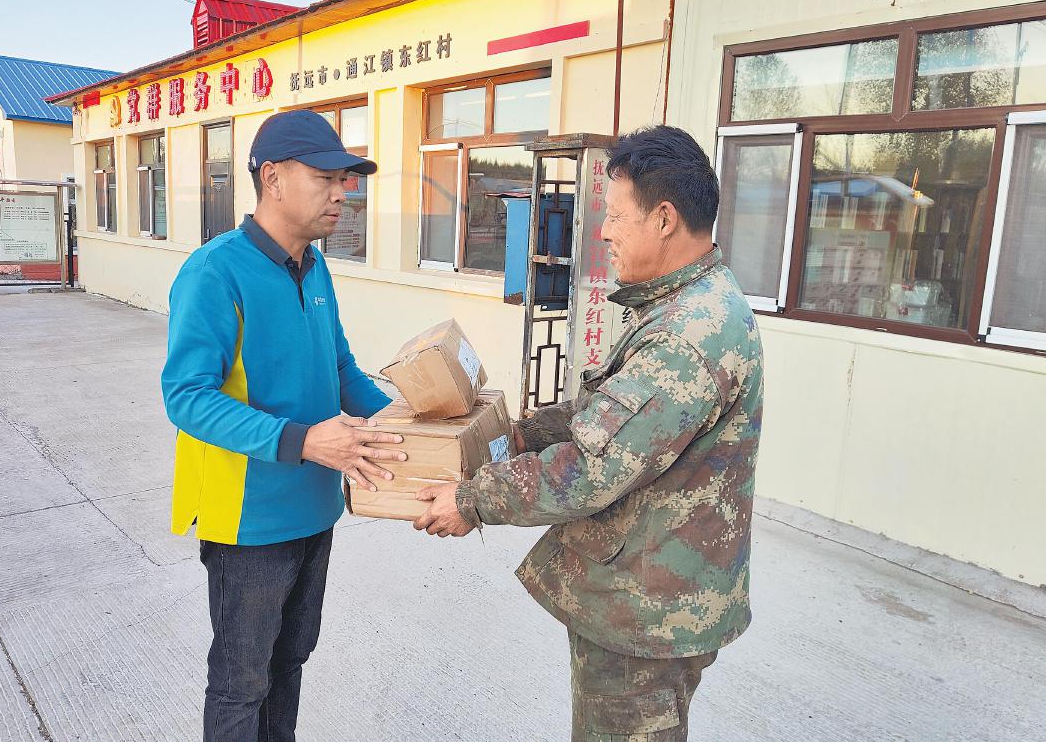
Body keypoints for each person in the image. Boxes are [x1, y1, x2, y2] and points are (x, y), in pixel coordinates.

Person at [414, 125, 764, 742]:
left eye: (616, 215)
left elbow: (591, 468)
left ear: (664, 218)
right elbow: (609, 413)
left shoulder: (688, 334)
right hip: (655, 595)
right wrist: (520, 436)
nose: (603, 232)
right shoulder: (686, 305)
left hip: (648, 614)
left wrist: (471, 499)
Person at [161, 110, 407, 742]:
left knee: (290, 662)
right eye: (326, 177)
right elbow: (186, 396)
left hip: (315, 507)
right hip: (248, 520)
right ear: (271, 178)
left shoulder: (314, 266)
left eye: (344, 179)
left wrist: (403, 426)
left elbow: (339, 366)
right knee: (240, 683)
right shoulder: (215, 272)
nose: (342, 192)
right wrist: (299, 440)